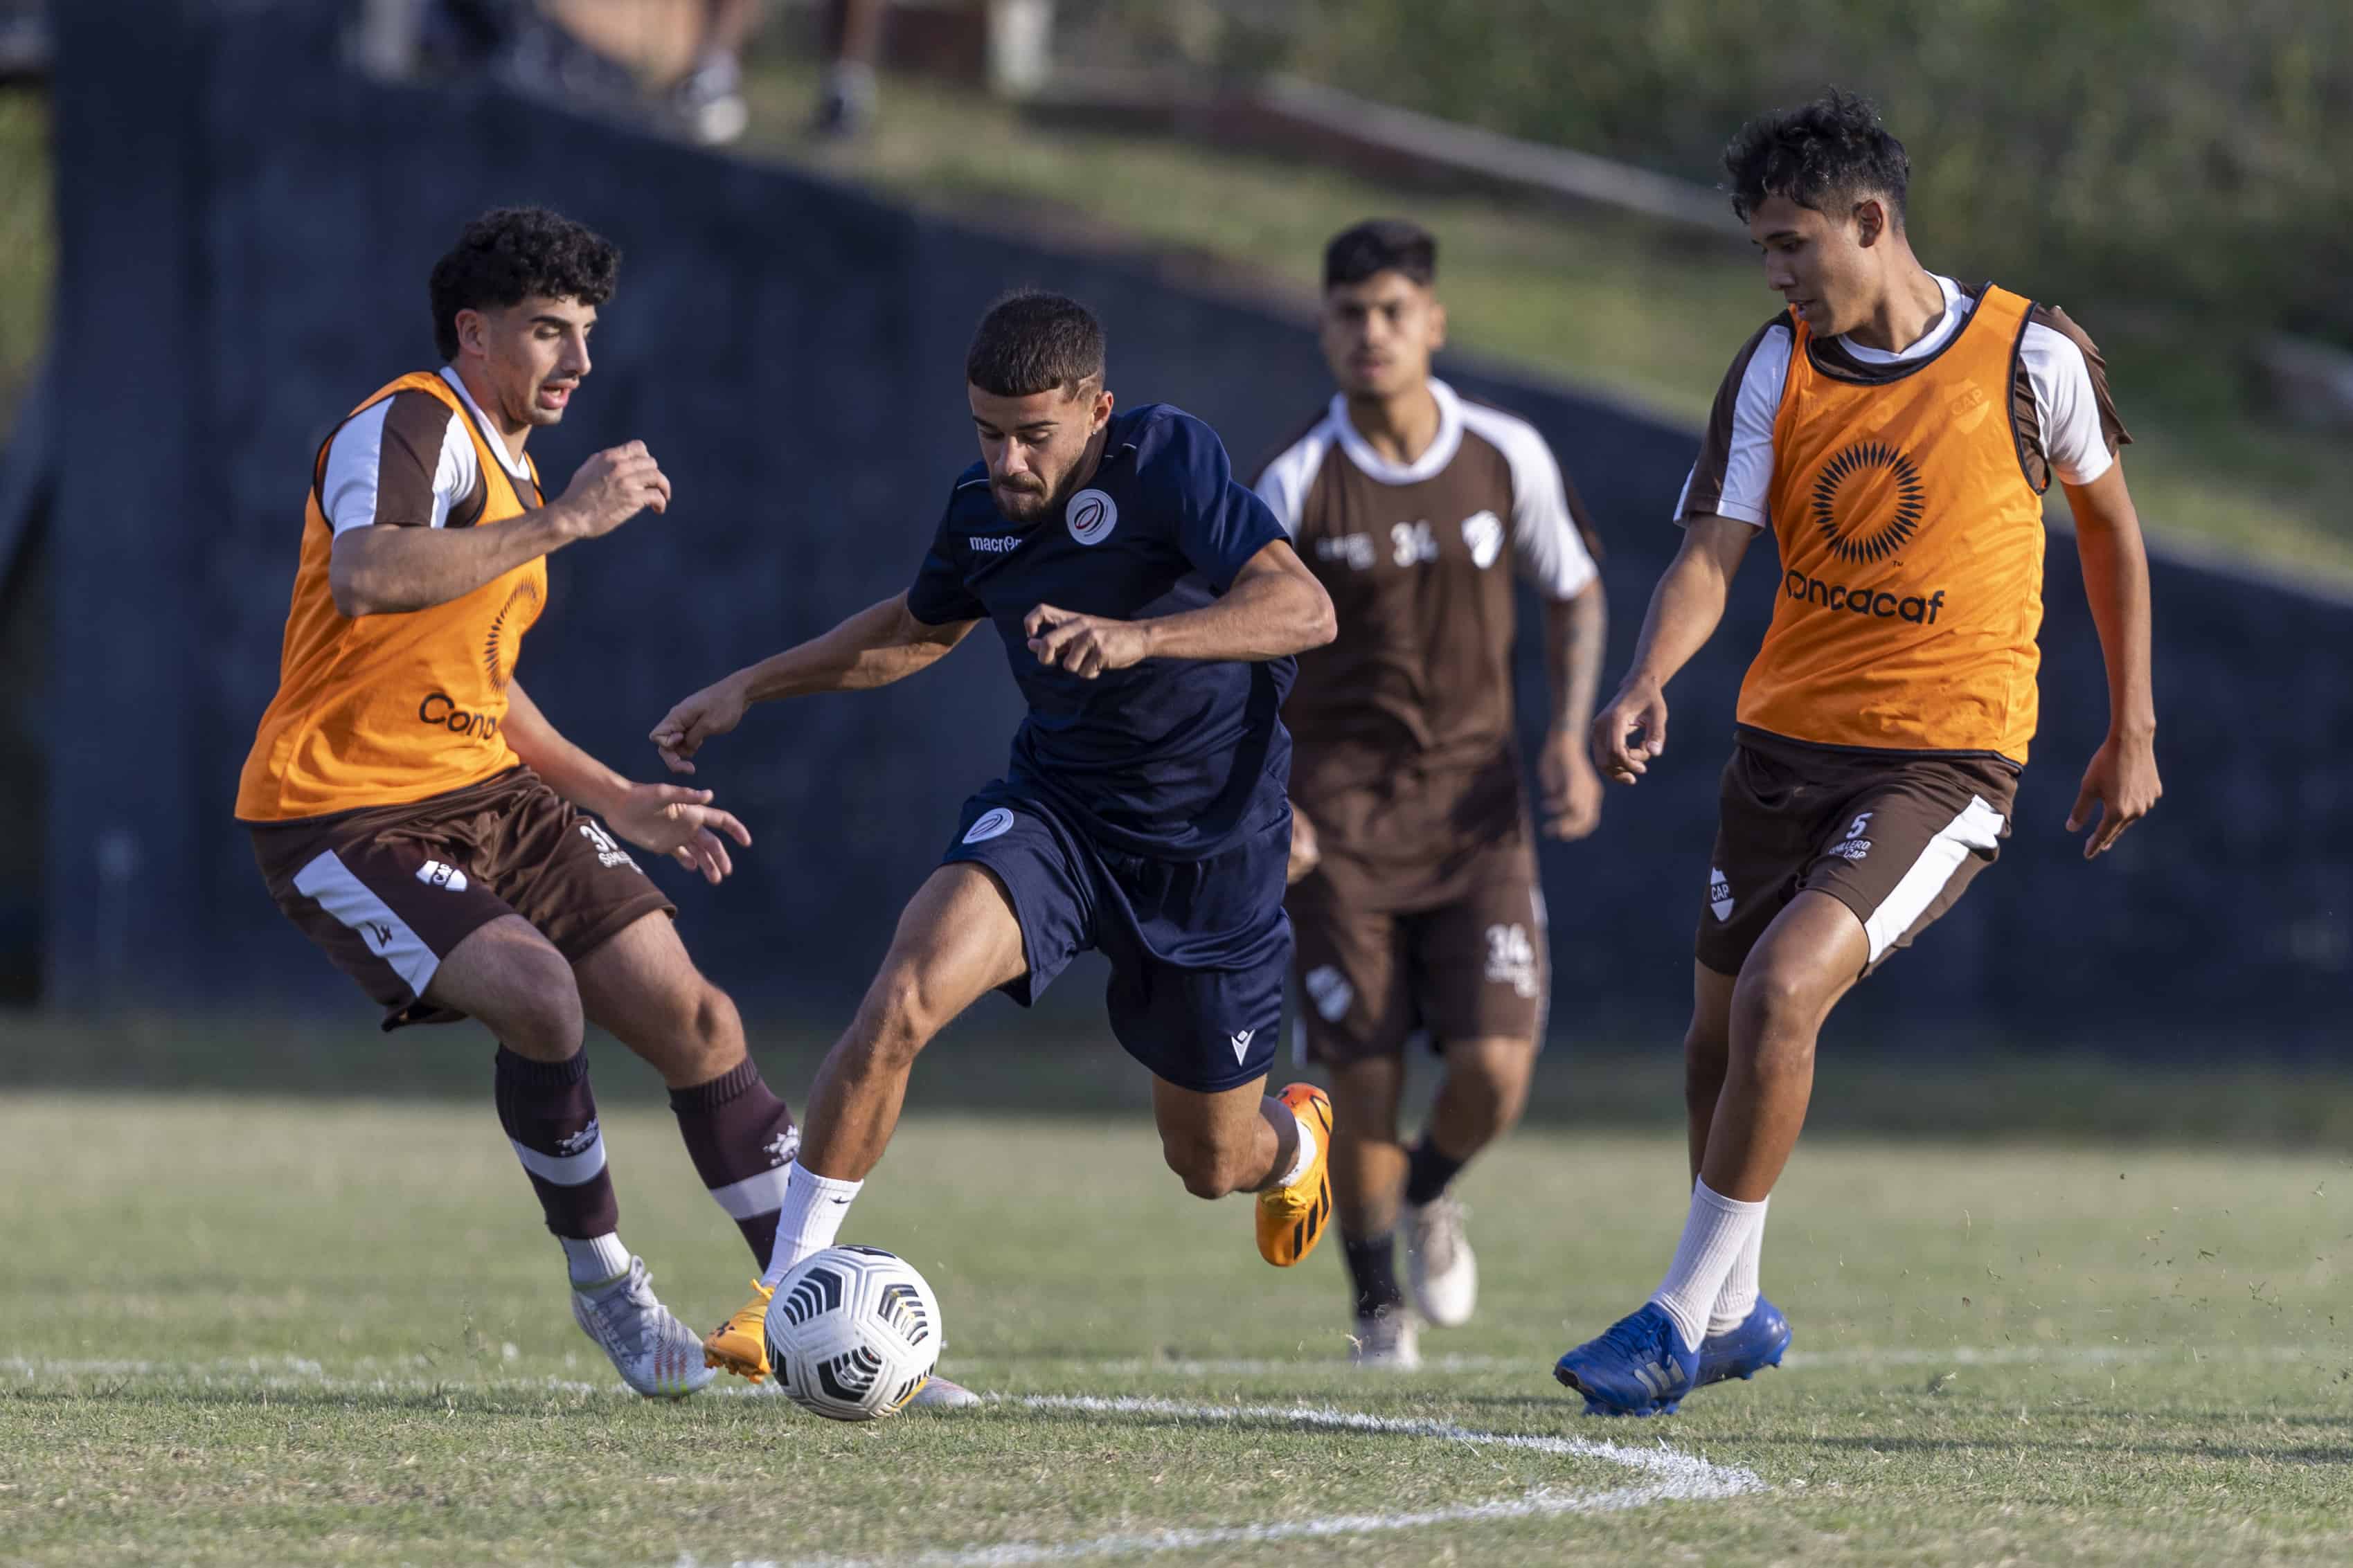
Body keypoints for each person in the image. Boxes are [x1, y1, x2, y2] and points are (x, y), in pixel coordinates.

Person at [1553, 93, 2160, 1416]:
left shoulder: (2028, 356)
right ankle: (1733, 1310)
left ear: (1869, 222)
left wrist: (2131, 725)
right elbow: (1710, 550)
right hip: (1779, 752)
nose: (1774, 273)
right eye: (1760, 251)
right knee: (1718, 1040)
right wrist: (1648, 676)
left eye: (1790, 244)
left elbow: (2109, 533)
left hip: (1943, 765)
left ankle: (1670, 1320)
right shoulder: (1775, 365)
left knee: (1780, 993)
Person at [651, 289, 1341, 1395]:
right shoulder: (980, 509)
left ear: (1096, 410)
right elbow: (911, 633)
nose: (1009, 460)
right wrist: (751, 685)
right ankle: (783, 1292)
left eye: (1034, 434)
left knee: (1210, 1162)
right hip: (1057, 818)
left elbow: (1302, 609)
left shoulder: (1167, 460)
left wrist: (1137, 639)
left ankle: (1297, 1143)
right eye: (987, 430)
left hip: (1211, 860)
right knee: (902, 996)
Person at [235, 207, 791, 1399]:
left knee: (698, 1019)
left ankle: (819, 1306)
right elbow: (369, 572)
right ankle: (606, 1284)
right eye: (550, 333)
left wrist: (617, 799)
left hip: (487, 791)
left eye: (587, 334)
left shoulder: (513, 457)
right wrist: (565, 521)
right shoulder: (410, 422)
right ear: (473, 332)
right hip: (343, 812)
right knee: (540, 994)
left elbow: (478, 672)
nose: (578, 364)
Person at [1255, 219, 1607, 1369]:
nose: (1371, 333)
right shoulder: (1298, 480)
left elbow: (1575, 588)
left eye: (1393, 311)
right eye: (1349, 313)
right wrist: (1275, 800)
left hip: (1477, 823)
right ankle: (1374, 1312)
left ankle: (1429, 1196)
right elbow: (1241, 651)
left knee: (1496, 1067)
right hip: (1339, 831)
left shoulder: (1505, 453)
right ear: (1322, 328)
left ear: (1434, 325)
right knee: (1361, 1082)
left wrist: (1566, 733)